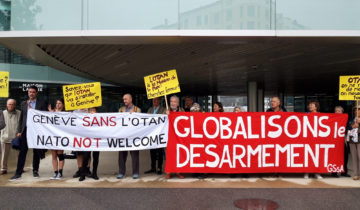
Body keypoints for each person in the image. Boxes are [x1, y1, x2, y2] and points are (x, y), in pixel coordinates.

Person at [10, 85, 47, 181]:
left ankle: (35, 170)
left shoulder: (42, 103)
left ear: (36, 93)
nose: (31, 93)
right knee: (22, 151)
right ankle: (18, 172)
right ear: (28, 93)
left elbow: (45, 116)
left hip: (37, 130)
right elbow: (22, 118)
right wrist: (19, 131)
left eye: (33, 92)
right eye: (30, 92)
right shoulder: (23, 103)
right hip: (25, 130)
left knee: (36, 152)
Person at [117, 93, 141, 179]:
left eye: (126, 99)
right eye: (123, 99)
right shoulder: (121, 110)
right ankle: (121, 172)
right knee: (121, 155)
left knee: (134, 155)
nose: (124, 101)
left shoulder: (137, 110)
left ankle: (135, 172)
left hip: (133, 136)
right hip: (123, 136)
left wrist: (134, 115)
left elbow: (140, 122)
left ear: (131, 99)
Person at [145, 97, 166, 175]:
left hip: (160, 133)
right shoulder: (150, 110)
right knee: (152, 151)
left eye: (156, 100)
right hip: (151, 134)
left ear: (159, 101)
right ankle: (153, 167)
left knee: (160, 151)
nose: (154, 101)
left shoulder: (163, 110)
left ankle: (159, 168)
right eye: (153, 100)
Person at [165, 95, 184, 179]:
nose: (172, 103)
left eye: (174, 101)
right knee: (169, 154)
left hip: (178, 137)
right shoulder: (165, 110)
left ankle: (178, 172)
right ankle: (169, 172)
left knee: (179, 154)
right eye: (171, 101)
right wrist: (166, 116)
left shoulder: (182, 111)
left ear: (177, 103)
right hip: (168, 136)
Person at [79, 107, 100, 181]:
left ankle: (94, 173)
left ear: (96, 111)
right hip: (87, 141)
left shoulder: (100, 118)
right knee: (86, 157)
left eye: (93, 110)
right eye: (90, 110)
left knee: (96, 157)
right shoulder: (85, 118)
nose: (92, 111)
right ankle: (83, 175)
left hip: (96, 140)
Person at [1, 99, 20, 175]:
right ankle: (3, 169)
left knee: (19, 155)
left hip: (16, 138)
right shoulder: (2, 113)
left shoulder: (19, 113)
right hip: (5, 137)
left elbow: (21, 124)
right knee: (4, 155)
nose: (11, 106)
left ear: (15, 105)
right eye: (9, 104)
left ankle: (19, 168)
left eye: (12, 104)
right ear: (6, 105)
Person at [304, 100, 323, 179]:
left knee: (318, 156)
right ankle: (307, 172)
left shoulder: (321, 116)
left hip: (317, 139)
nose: (310, 106)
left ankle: (317, 172)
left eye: (312, 105)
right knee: (307, 155)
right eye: (310, 105)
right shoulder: (306, 115)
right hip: (308, 138)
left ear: (316, 107)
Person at [48, 98, 66, 179]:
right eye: (56, 103)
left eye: (59, 103)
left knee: (60, 154)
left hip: (61, 137)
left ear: (63, 105)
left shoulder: (66, 114)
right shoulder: (51, 112)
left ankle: (60, 172)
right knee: (54, 155)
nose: (57, 105)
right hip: (52, 136)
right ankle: (55, 172)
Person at [332, 106, 350, 177]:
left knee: (345, 156)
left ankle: (344, 171)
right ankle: (334, 172)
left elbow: (348, 128)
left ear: (342, 112)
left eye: (339, 111)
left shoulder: (345, 120)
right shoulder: (332, 119)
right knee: (334, 157)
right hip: (334, 142)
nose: (337, 112)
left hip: (343, 141)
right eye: (336, 111)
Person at [72, 108, 90, 178]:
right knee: (79, 153)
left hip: (88, 134)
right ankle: (80, 169)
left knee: (87, 154)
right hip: (78, 135)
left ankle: (87, 169)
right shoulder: (75, 111)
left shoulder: (89, 110)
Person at [349, 106, 360, 180]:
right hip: (352, 140)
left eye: (358, 110)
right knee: (354, 157)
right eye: (355, 110)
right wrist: (352, 126)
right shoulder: (352, 119)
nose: (357, 111)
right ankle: (356, 174)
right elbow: (348, 127)